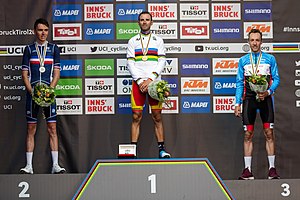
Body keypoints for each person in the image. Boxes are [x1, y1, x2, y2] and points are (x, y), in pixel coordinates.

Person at [20, 18, 65, 174]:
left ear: (48, 31)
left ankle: (55, 165)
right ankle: (29, 166)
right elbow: (25, 74)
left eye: (46, 30)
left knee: (52, 128)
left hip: (48, 95)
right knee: (31, 128)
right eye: (40, 30)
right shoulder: (29, 49)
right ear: (34, 31)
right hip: (32, 95)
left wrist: (48, 91)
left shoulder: (54, 49)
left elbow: (57, 73)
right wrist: (32, 92)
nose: (43, 33)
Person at [234, 29, 280, 180]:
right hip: (249, 100)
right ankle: (247, 171)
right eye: (252, 40)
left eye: (257, 40)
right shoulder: (243, 61)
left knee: (269, 133)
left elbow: (277, 79)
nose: (255, 43)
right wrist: (237, 103)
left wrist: (268, 91)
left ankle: (272, 169)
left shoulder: (269, 59)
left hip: (265, 99)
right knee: (248, 134)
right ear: (248, 42)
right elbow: (240, 83)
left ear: (261, 42)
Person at [126, 11, 171, 158]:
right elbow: (130, 63)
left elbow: (162, 61)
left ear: (152, 22)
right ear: (138, 22)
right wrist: (140, 81)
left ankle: (162, 150)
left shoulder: (158, 40)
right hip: (138, 83)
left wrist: (150, 79)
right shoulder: (132, 41)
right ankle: (132, 151)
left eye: (147, 20)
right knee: (136, 116)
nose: (144, 22)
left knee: (157, 116)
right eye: (142, 20)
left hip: (154, 83)